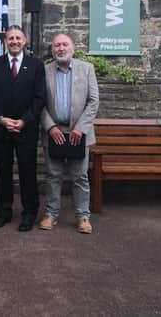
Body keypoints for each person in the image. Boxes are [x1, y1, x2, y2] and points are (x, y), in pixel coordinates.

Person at [0, 25, 46, 232]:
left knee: (28, 172)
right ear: (4, 42)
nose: (14, 42)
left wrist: (24, 120)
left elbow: (40, 98)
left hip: (25, 129)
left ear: (25, 40)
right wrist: (1, 119)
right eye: (10, 38)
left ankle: (29, 213)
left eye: (18, 38)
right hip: (1, 129)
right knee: (3, 172)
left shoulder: (36, 66)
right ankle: (4, 211)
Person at [39, 33, 99, 234]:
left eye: (65, 44)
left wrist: (80, 128)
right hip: (54, 132)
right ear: (53, 49)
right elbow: (38, 102)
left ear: (72, 48)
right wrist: (50, 126)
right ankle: (51, 214)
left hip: (78, 133)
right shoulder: (44, 71)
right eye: (57, 45)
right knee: (53, 175)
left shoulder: (87, 69)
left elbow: (93, 101)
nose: (61, 48)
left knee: (80, 176)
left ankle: (83, 216)